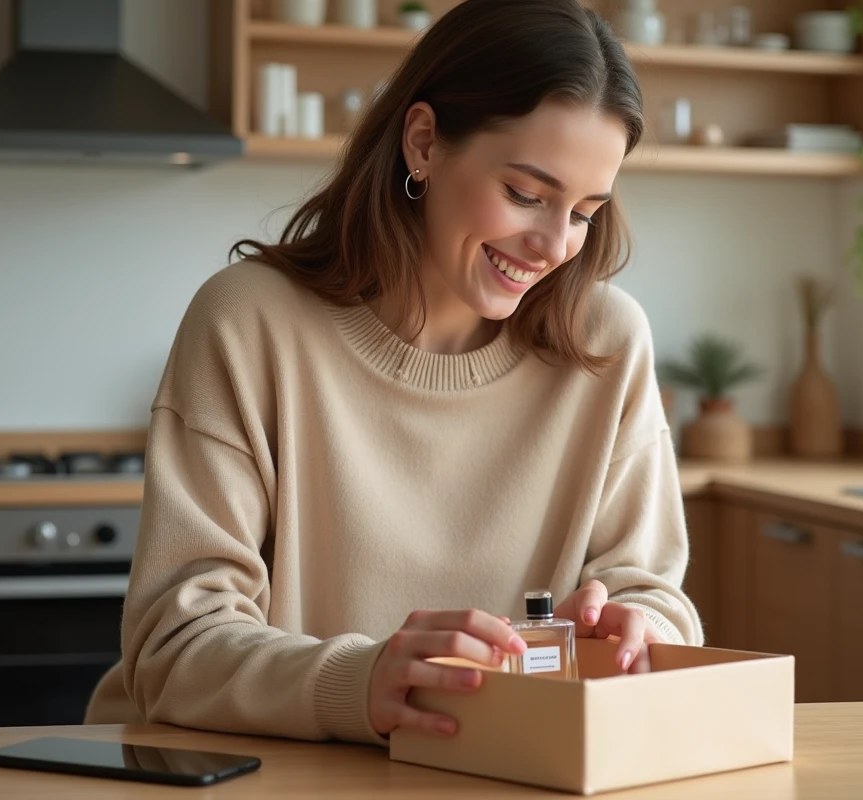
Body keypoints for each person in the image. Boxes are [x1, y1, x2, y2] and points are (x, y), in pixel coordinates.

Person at [85, 0, 703, 745]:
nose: (552, 246)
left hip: (488, 773)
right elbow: (172, 647)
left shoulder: (605, 342)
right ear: (423, 143)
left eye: (583, 212)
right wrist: (362, 682)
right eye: (526, 195)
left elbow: (654, 593)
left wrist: (633, 630)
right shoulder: (247, 322)